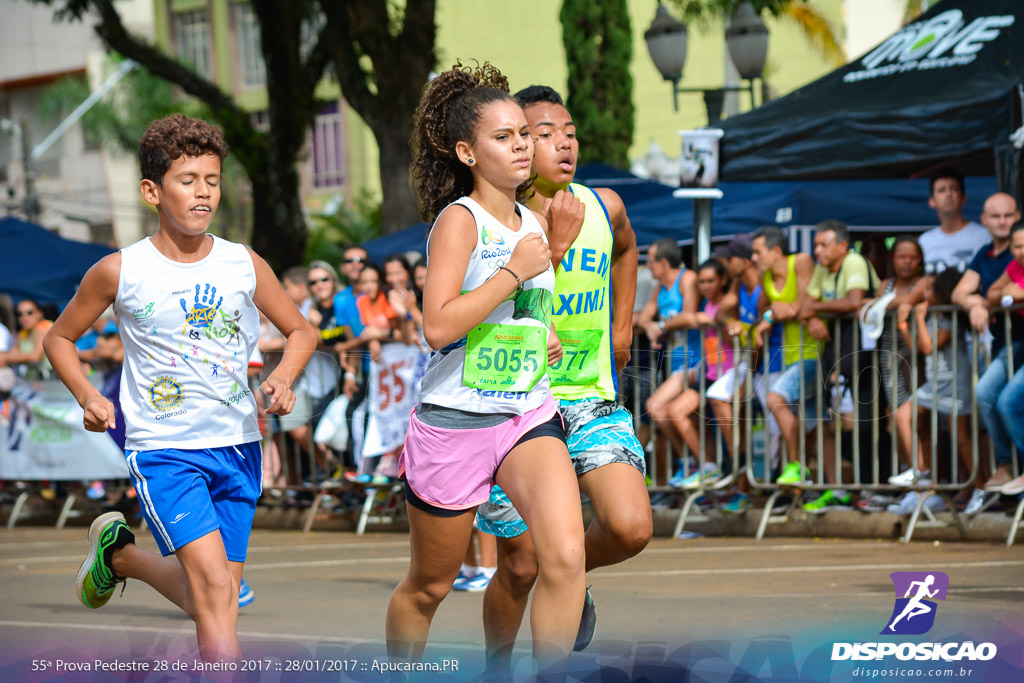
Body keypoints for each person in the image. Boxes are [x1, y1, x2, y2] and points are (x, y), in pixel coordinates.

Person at [42, 114, 317, 663]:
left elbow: (301, 330)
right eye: (188, 179)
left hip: (238, 446)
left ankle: (120, 558)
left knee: (216, 598)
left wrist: (284, 379)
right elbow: (59, 339)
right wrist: (90, 398)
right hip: (166, 450)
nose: (203, 192)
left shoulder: (242, 262)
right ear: (152, 190)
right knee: (216, 593)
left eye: (212, 180)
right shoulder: (120, 271)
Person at [385, 62, 585, 671]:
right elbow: (438, 326)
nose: (523, 145)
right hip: (456, 423)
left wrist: (540, 335)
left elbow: (519, 312)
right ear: (469, 152)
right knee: (429, 587)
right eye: (505, 137)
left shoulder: (532, 223)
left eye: (525, 133)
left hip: (526, 415)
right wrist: (514, 272)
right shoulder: (459, 221)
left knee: (565, 558)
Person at [471, 85, 649, 669]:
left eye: (568, 132)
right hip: (520, 408)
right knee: (517, 566)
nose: (562, 143)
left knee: (628, 528)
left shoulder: (606, 205)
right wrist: (554, 241)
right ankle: (498, 666)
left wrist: (622, 323)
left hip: (592, 396)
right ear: (520, 144)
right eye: (544, 133)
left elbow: (626, 251)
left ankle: (570, 572)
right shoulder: (501, 221)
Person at [798, 220, 879, 513]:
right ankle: (851, 488)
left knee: (862, 421)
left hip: (865, 354)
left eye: (823, 244)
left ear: (842, 246)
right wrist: (813, 315)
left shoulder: (854, 262)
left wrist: (815, 311)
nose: (817, 250)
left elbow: (854, 302)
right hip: (840, 354)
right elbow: (806, 305)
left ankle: (869, 488)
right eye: (816, 244)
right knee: (842, 421)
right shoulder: (823, 268)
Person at [951, 194, 1023, 499]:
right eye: (996, 216)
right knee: (996, 399)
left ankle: (1009, 467)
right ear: (985, 220)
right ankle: (1007, 467)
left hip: (1015, 343)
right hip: (1004, 344)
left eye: (1008, 215)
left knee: (1005, 401)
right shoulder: (989, 255)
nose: (1002, 222)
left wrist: (1000, 297)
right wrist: (975, 303)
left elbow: (1004, 294)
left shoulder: (1017, 253)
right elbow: (965, 292)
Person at [888, 269, 975, 515]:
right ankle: (922, 471)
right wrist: (905, 325)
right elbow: (917, 347)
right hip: (936, 384)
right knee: (906, 414)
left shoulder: (947, 318)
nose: (923, 295)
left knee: (961, 438)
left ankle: (980, 486)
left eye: (928, 290)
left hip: (954, 384)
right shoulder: (931, 317)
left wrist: (917, 318)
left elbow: (928, 348)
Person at [856, 236, 926, 513]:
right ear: (892, 259)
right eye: (901, 256)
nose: (907, 261)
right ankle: (911, 477)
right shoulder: (886, 284)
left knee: (915, 418)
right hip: (888, 358)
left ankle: (923, 477)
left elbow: (905, 301)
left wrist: (889, 303)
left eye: (912, 256)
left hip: (915, 356)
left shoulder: (923, 283)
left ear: (920, 259)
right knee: (897, 419)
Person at [751, 226, 821, 488]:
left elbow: (803, 306)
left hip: (815, 352)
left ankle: (796, 466)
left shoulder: (800, 261)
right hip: (791, 356)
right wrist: (771, 312)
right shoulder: (765, 277)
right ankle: (825, 488)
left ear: (776, 251)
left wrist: (777, 310)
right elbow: (764, 312)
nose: (754, 258)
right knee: (815, 425)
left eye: (758, 252)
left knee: (774, 398)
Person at [666, 259, 736, 485]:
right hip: (709, 374)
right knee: (676, 411)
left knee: (736, 427)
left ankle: (736, 468)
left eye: (710, 281)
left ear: (723, 280)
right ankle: (708, 466)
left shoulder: (727, 304)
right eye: (702, 282)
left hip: (731, 373)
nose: (705, 285)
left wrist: (719, 323)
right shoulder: (706, 304)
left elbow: (737, 341)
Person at [637, 238, 700, 483]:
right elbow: (644, 317)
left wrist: (660, 326)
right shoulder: (659, 287)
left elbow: (689, 315)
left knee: (653, 405)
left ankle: (696, 462)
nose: (648, 266)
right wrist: (650, 326)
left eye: (650, 261)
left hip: (694, 361)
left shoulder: (687, 278)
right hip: (674, 364)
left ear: (664, 263)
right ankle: (691, 462)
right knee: (664, 412)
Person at [983, 220, 1024, 496]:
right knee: (986, 393)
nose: (1022, 251)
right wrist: (1009, 294)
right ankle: (1005, 464)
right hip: (1019, 344)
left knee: (1008, 401)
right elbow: (993, 294)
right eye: (1018, 245)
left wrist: (1016, 293)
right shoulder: (1014, 267)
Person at [918, 166, 990, 274]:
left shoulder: (984, 236)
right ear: (931, 201)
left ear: (964, 197)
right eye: (941, 190)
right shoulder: (924, 241)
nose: (948, 194)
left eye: (954, 189)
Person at [0, 298, 54, 380]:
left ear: (39, 314)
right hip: (33, 380)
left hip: (51, 379)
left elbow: (35, 357)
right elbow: (14, 354)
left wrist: (5, 357)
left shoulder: (43, 330)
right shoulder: (22, 334)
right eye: (20, 314)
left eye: (29, 313)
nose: (24, 317)